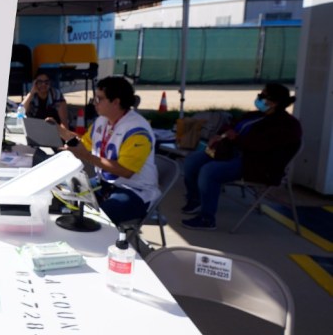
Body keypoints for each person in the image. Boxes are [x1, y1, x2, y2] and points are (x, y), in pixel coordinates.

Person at [180, 83, 302, 230]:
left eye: (263, 96)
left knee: (209, 171)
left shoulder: (287, 126)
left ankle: (207, 218)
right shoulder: (255, 116)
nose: (259, 98)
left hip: (256, 164)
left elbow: (261, 146)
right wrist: (221, 135)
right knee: (192, 162)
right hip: (230, 153)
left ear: (274, 102)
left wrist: (235, 139)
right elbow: (232, 125)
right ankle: (196, 199)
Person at [58, 76, 160, 226]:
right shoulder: (102, 120)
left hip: (135, 191)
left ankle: (97, 246)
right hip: (105, 183)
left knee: (100, 219)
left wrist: (86, 156)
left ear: (116, 102)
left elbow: (125, 171)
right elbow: (84, 144)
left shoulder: (137, 130)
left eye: (99, 99)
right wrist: (59, 131)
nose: (94, 103)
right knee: (64, 194)